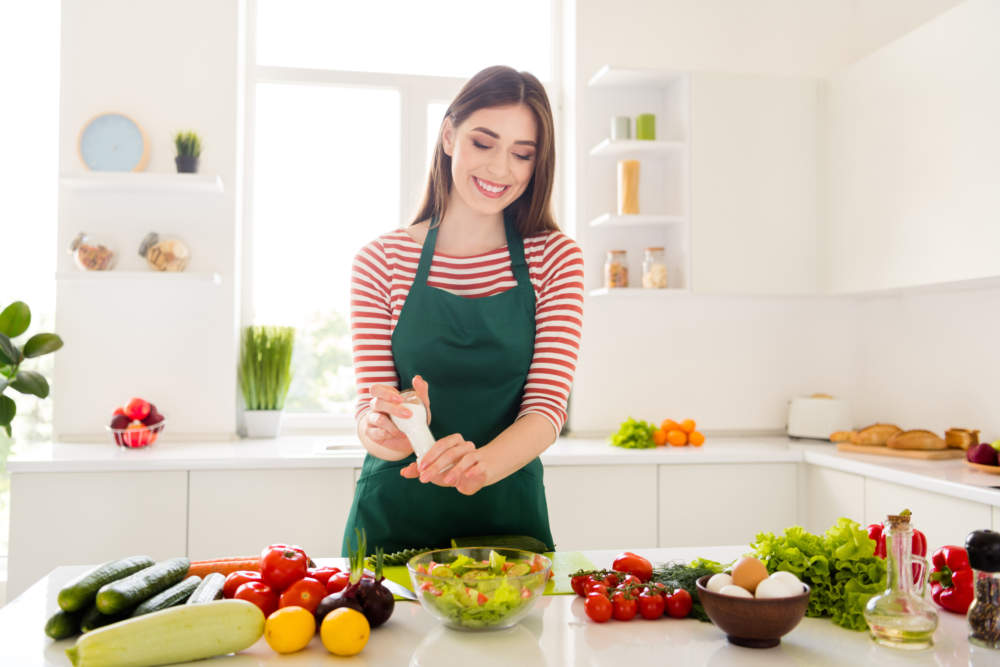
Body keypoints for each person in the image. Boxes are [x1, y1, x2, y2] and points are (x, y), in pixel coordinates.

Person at [342, 65, 584, 555]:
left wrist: (478, 467)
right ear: (450, 135)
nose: (500, 169)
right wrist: (391, 428)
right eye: (483, 142)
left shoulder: (554, 258)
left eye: (522, 154)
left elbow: (546, 409)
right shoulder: (381, 260)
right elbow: (372, 410)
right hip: (393, 522)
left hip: (507, 524)